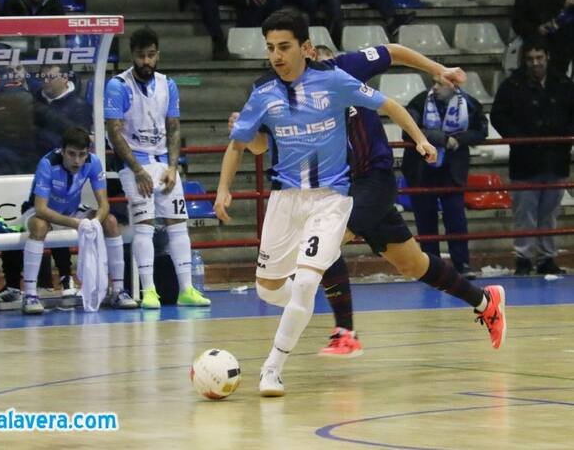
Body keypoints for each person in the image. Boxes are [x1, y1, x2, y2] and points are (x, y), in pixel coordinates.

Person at [227, 43, 507, 359]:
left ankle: (345, 333)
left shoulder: (346, 69)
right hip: (338, 187)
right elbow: (262, 146)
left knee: (324, 240)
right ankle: (485, 301)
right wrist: (245, 134)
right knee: (412, 263)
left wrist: (438, 69)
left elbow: (394, 50)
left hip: (373, 179)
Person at [216, 8, 435, 397]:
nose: (276, 56)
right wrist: (223, 189)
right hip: (285, 199)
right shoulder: (262, 93)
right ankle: (301, 307)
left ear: (305, 48)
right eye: (270, 48)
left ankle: (272, 368)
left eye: (284, 47)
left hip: (330, 199)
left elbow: (389, 105)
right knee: (267, 289)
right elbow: (249, 145)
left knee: (304, 282)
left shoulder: (334, 80)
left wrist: (420, 139)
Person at [105, 26, 210, 309]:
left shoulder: (168, 84)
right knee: (144, 227)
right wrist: (138, 170)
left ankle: (186, 289)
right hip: (135, 164)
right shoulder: (118, 85)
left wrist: (173, 167)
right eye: (141, 56)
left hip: (163, 162)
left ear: (158, 54)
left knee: (178, 224)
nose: (146, 61)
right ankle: (149, 291)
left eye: (151, 55)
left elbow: (173, 127)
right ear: (132, 55)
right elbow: (114, 131)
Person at [0, 65, 92, 303]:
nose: (45, 81)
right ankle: (18, 286)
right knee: (26, 225)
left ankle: (68, 278)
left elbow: (76, 137)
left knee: (58, 218)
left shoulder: (77, 108)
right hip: (31, 172)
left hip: (61, 199)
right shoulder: (35, 101)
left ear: (65, 77)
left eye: (50, 76)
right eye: (42, 76)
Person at [19, 127, 137, 314]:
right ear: (62, 150)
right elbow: (41, 208)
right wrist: (76, 223)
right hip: (39, 212)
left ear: (87, 152)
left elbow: (104, 205)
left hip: (73, 211)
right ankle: (30, 295)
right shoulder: (47, 163)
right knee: (39, 226)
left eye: (82, 154)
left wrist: (96, 221)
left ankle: (118, 290)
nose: (77, 160)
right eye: (71, 154)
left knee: (111, 222)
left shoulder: (94, 162)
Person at [491, 36, 574, 275]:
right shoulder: (512, 85)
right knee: (524, 214)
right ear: (524, 61)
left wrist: (566, 137)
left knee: (549, 213)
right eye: (530, 59)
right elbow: (498, 116)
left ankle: (547, 257)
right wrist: (518, 138)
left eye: (539, 57)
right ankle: (524, 258)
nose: (535, 63)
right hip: (525, 160)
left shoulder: (563, 83)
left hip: (555, 159)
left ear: (548, 57)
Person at [404, 81, 488, 281]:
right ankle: (431, 267)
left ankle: (462, 264)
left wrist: (460, 139)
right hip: (421, 169)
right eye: (434, 82)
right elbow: (408, 131)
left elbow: (482, 130)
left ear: (454, 85)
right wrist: (442, 138)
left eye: (441, 83)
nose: (435, 87)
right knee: (425, 219)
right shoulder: (419, 101)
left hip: (453, 169)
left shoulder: (469, 103)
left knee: (456, 217)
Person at [511, 0, 574, 75]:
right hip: (534, 47)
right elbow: (517, 22)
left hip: (560, 51)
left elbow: (568, 20)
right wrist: (537, 29)